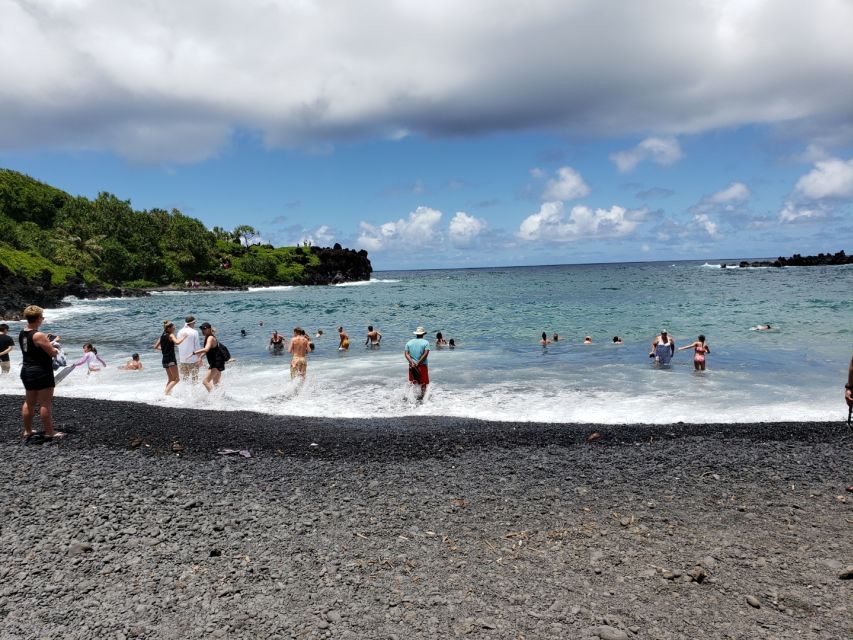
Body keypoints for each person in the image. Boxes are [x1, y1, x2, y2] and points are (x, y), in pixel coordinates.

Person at [18, 305, 62, 439]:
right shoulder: (38, 335)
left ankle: (28, 431)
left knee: (29, 402)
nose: (42, 319)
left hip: (27, 370)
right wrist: (55, 346)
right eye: (42, 317)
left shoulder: (23, 332)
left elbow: (33, 348)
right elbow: (52, 353)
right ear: (38, 318)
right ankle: (50, 432)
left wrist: (47, 341)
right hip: (41, 371)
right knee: (45, 403)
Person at [153, 320, 185, 395]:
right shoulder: (171, 335)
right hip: (171, 359)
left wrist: (164, 349)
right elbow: (177, 342)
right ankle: (165, 393)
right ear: (168, 328)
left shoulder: (161, 336)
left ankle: (168, 394)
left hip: (164, 360)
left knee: (171, 379)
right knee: (176, 379)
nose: (174, 328)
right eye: (173, 327)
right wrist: (184, 337)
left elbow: (155, 347)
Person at [193, 322, 225, 392]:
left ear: (209, 329)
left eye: (204, 329)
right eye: (201, 329)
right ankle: (221, 398)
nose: (203, 330)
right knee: (216, 383)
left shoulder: (210, 338)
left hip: (216, 363)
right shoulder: (208, 337)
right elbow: (208, 350)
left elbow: (206, 349)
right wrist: (201, 357)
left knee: (205, 382)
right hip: (217, 362)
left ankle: (214, 398)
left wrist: (194, 352)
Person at [405, 326, 430, 400]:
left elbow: (406, 354)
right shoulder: (426, 342)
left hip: (412, 366)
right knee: (423, 383)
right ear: (423, 334)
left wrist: (412, 363)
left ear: (416, 334)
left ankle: (409, 397)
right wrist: (418, 363)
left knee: (413, 381)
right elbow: (425, 354)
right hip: (422, 365)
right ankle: (422, 398)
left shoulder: (409, 342)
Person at [176, 315, 201, 384]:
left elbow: (178, 345)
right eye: (194, 323)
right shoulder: (194, 332)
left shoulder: (179, 332)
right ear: (192, 323)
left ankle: (184, 393)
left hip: (182, 359)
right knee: (195, 379)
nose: (194, 324)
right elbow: (197, 346)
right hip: (193, 359)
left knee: (185, 379)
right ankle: (195, 394)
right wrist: (200, 358)